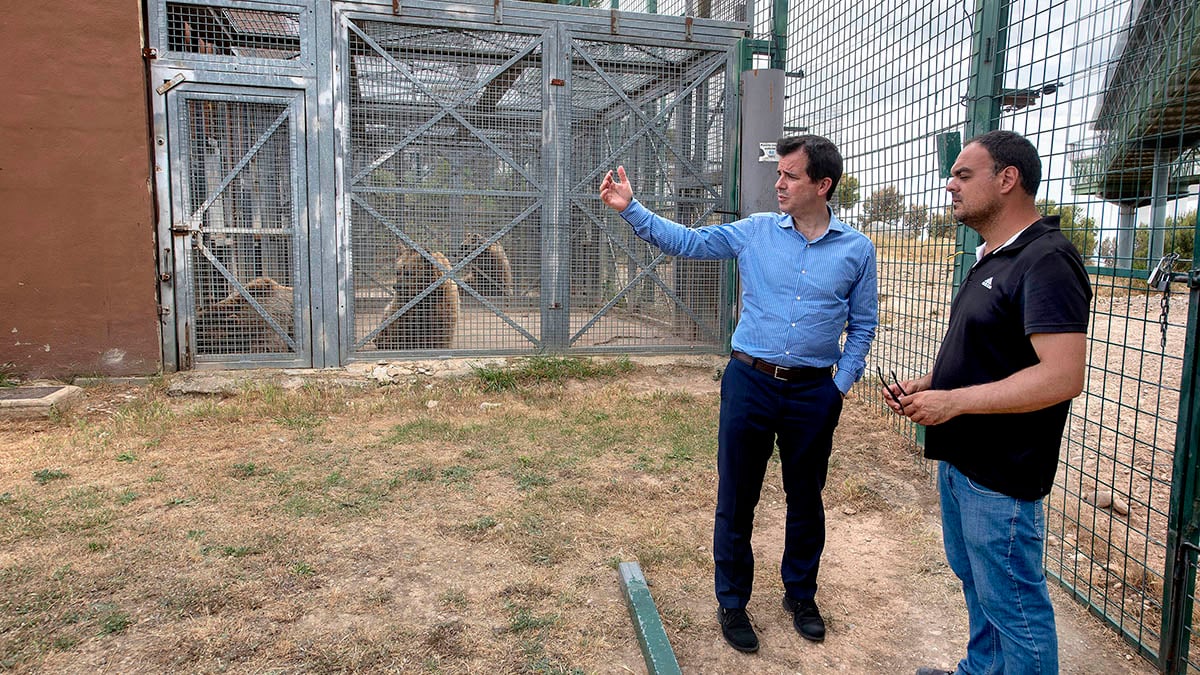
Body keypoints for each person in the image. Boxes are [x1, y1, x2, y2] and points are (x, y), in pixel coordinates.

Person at [599, 135, 878, 653]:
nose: (779, 183)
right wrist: (632, 209)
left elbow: (863, 326)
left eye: (791, 176)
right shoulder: (754, 233)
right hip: (749, 382)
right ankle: (733, 601)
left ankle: (801, 594)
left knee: (806, 498)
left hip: (813, 392)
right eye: (779, 174)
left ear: (823, 185)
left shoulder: (856, 250)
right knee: (737, 497)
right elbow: (687, 242)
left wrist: (837, 388)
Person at [882, 130, 1091, 675]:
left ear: (1007, 178)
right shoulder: (994, 257)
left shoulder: (1046, 260)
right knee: (978, 584)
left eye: (963, 175)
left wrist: (954, 403)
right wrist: (930, 385)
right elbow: (992, 353)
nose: (949, 184)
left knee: (1015, 608)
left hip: (1003, 476)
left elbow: (1063, 376)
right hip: (963, 463)